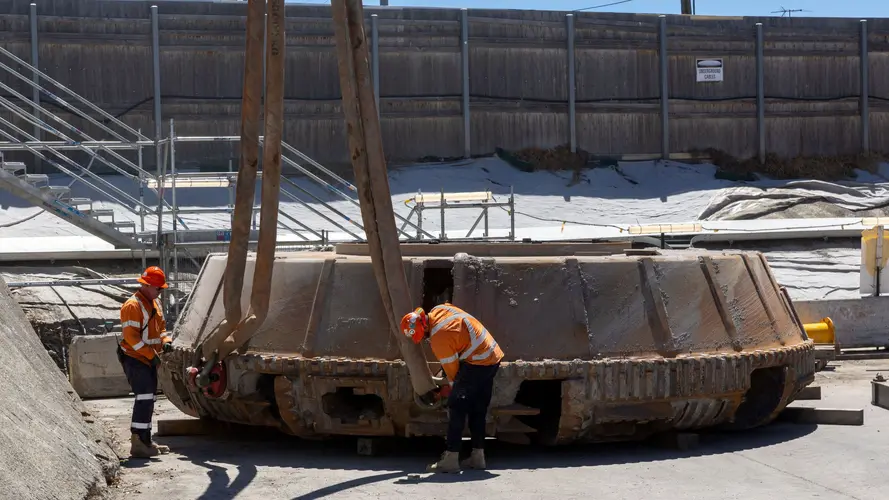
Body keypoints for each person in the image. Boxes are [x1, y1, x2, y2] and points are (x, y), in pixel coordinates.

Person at [401, 303, 504, 473]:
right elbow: (459, 338)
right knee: (478, 408)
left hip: (477, 361)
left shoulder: (439, 339)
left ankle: (451, 459)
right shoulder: (439, 309)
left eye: (423, 335)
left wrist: (447, 392)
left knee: (457, 406)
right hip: (492, 355)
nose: (425, 338)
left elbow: (453, 375)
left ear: (424, 327)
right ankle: (478, 457)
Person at [117, 266, 174, 458]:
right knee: (144, 398)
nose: (160, 292)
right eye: (159, 289)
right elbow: (132, 338)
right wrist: (151, 356)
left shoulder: (154, 304)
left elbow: (162, 328)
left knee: (148, 398)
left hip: (148, 358)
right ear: (147, 286)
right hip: (135, 358)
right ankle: (139, 442)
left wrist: (165, 342)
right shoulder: (132, 306)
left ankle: (145, 440)